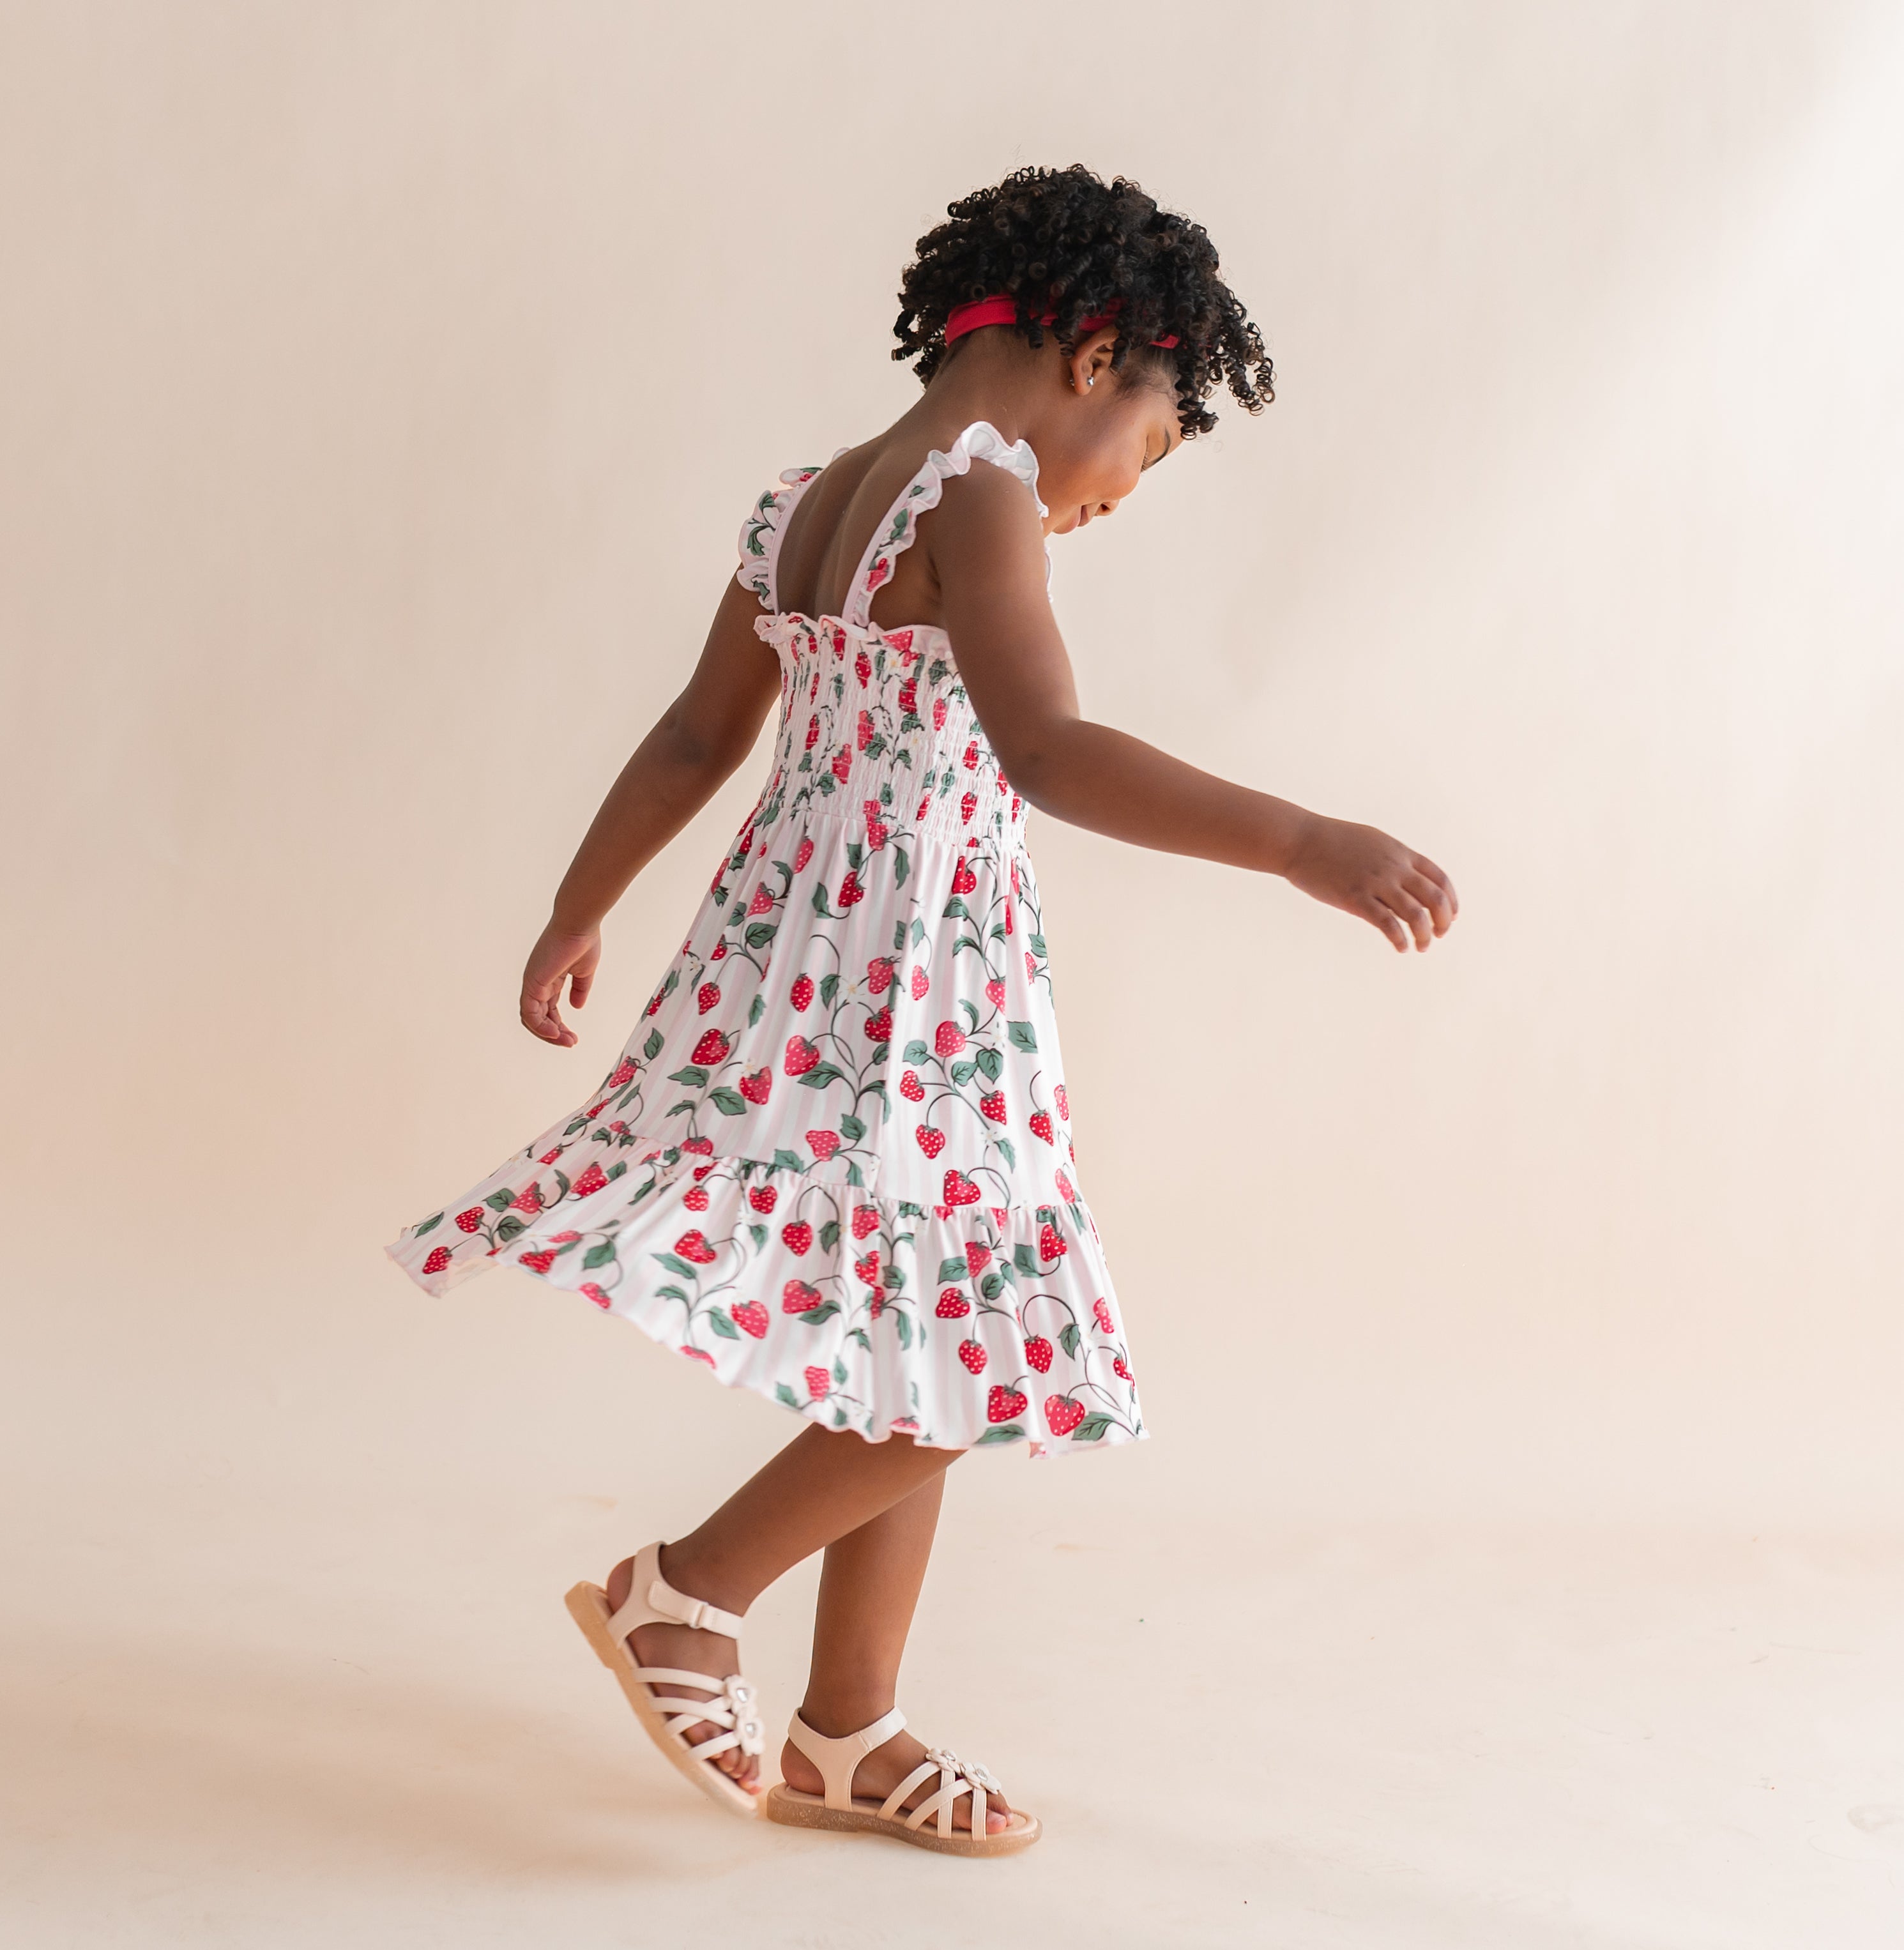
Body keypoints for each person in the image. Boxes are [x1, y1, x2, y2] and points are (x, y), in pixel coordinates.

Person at [386, 163, 1457, 1856]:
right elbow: (1043, 748)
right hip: (914, 975)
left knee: (925, 1322)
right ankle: (691, 1592)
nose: (1113, 502)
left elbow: (694, 734)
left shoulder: (812, 499)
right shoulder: (984, 492)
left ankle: (848, 1727)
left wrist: (578, 903)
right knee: (988, 1329)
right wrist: (1299, 840)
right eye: (1154, 451)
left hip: (802, 946)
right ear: (1095, 354)